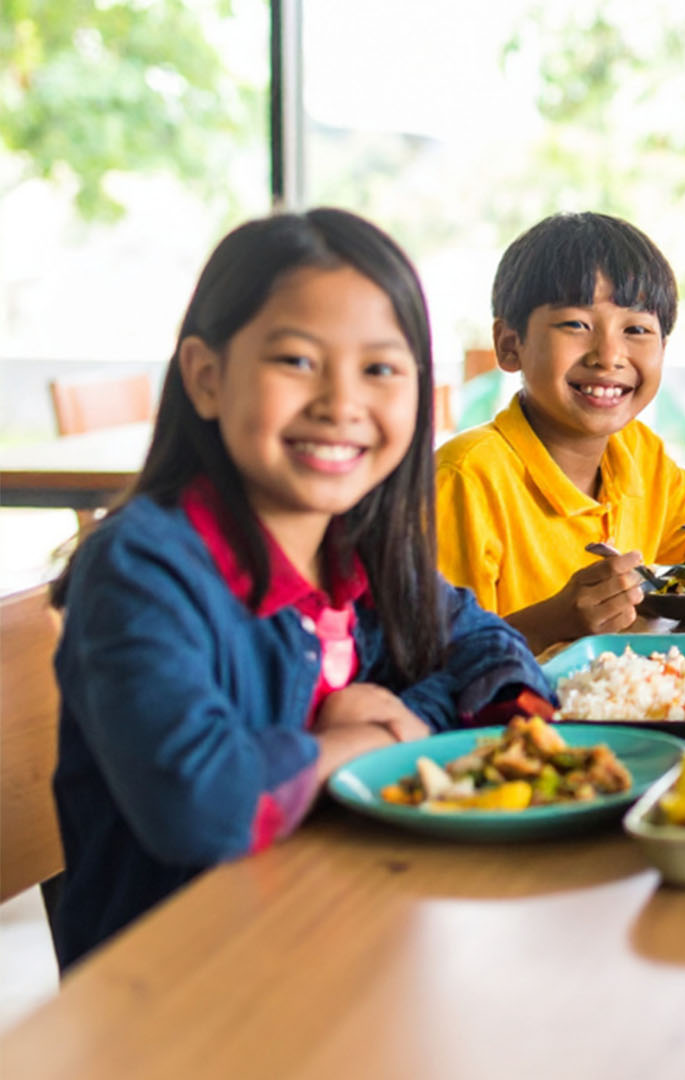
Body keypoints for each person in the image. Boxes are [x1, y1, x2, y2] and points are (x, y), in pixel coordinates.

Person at [49, 209, 548, 969]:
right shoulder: (140, 570)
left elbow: (500, 657)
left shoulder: (363, 550)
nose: (341, 403)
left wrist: (399, 720)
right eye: (297, 361)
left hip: (342, 940)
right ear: (207, 378)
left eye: (380, 369)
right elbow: (202, 805)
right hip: (178, 990)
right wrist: (360, 744)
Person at [436, 212, 685, 654]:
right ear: (510, 345)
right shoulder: (466, 479)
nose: (609, 356)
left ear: (663, 348)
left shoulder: (636, 454)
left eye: (636, 330)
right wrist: (553, 622)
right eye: (576, 324)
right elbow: (429, 661)